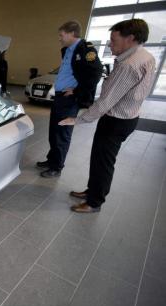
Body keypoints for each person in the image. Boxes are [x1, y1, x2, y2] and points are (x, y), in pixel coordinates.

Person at [59, 19, 156, 213]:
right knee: (100, 159)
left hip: (116, 121)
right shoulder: (146, 56)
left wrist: (78, 120)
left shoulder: (128, 65)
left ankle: (94, 202)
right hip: (128, 117)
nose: (110, 44)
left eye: (113, 40)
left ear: (130, 38)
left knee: (102, 162)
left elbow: (104, 102)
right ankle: (92, 191)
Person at [37, 21, 103, 178]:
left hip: (70, 99)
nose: (60, 38)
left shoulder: (85, 50)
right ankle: (51, 159)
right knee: (54, 131)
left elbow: (96, 73)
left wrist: (77, 90)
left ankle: (56, 167)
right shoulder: (68, 49)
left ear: (72, 33)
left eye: (62, 35)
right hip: (60, 97)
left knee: (62, 133)